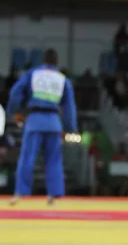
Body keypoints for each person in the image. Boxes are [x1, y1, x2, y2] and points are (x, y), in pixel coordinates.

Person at [6, 49, 78, 206]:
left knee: (27, 158)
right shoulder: (62, 79)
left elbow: (15, 93)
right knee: (54, 159)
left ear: (43, 60)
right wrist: (69, 128)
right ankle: (54, 194)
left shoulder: (33, 73)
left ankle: (20, 192)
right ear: (57, 62)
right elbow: (69, 106)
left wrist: (15, 111)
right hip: (53, 121)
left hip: (35, 120)